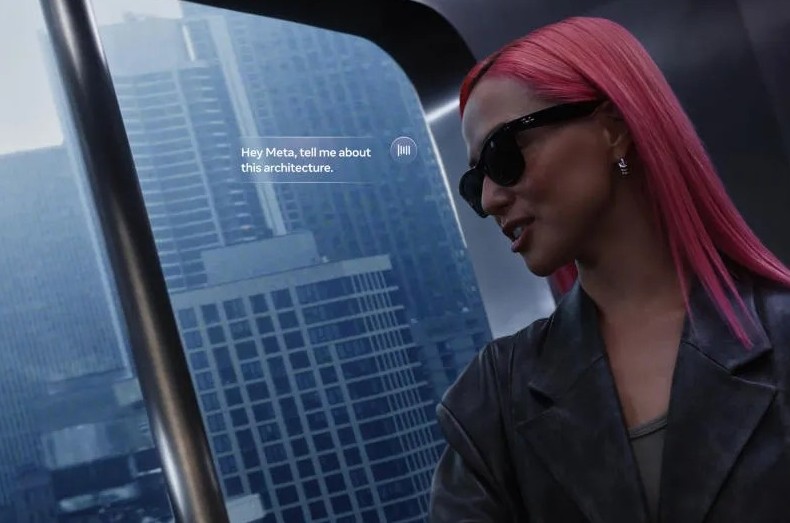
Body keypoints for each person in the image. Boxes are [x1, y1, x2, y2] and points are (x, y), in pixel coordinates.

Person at [429, 16, 790, 523]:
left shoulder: (781, 333)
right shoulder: (491, 400)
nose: (489, 200)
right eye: (475, 183)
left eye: (503, 154)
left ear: (613, 130)